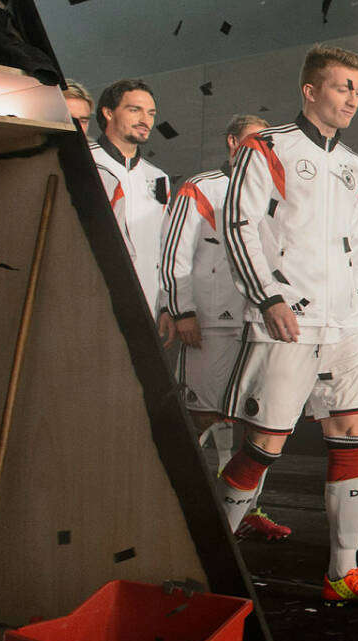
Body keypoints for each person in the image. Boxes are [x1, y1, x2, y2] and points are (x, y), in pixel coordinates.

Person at [219, 44, 358, 608]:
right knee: (266, 445)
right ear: (310, 90)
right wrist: (268, 297)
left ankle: (342, 572)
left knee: (350, 436)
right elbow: (239, 225)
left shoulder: (355, 166)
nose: (352, 96)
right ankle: (207, 556)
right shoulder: (266, 146)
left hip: (343, 325)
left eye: (357, 88)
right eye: (342, 85)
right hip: (286, 322)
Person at [157, 113, 291, 541]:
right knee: (200, 417)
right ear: (233, 142)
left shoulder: (277, 189)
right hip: (211, 326)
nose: (260, 150)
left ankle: (246, 508)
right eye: (253, 141)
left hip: (258, 325)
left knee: (258, 423)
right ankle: (172, 505)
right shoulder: (201, 187)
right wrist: (183, 311)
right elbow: (174, 254)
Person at [90, 78, 170, 315]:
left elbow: (165, 245)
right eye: (134, 110)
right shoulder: (86, 162)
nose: (145, 120)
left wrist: (166, 306)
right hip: (94, 297)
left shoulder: (158, 177)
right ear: (108, 112)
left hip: (148, 304)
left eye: (151, 113)